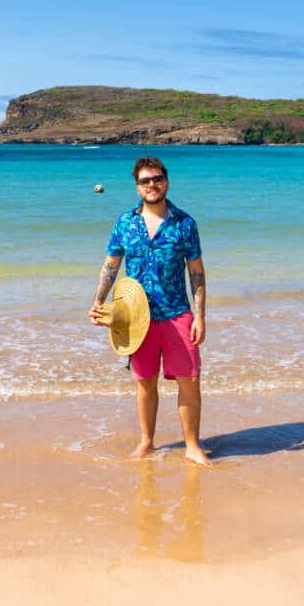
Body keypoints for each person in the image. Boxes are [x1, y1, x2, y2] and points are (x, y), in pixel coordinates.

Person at [88, 157, 212, 466]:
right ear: (137, 186)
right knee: (145, 383)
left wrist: (200, 316)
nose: (151, 185)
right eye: (145, 181)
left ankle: (192, 446)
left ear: (167, 181)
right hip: (136, 318)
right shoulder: (124, 223)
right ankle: (146, 442)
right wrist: (98, 302)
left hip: (177, 313)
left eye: (156, 179)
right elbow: (110, 265)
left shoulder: (185, 224)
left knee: (190, 380)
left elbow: (196, 272)